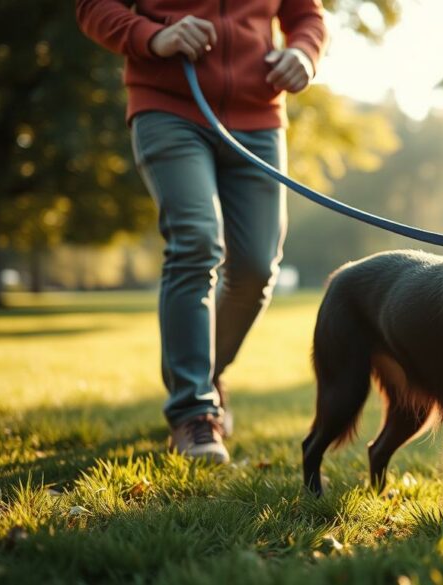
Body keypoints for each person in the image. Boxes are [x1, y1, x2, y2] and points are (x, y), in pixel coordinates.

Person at [76, 0, 327, 463]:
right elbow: (93, 6)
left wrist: (304, 54)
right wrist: (151, 36)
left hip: (259, 115)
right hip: (169, 105)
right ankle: (193, 412)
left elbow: (305, 15)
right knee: (195, 240)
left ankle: (206, 374)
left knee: (255, 267)